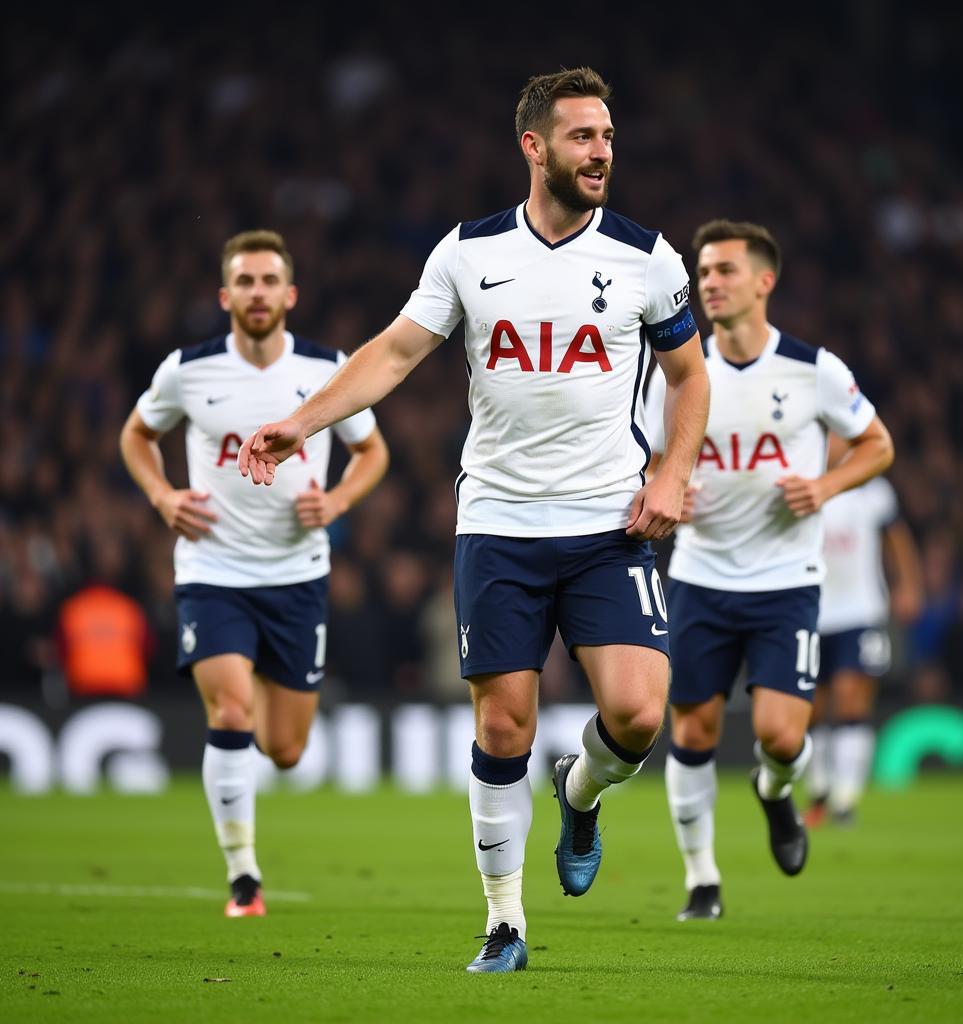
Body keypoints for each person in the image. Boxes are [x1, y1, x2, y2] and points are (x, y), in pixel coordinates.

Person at [238, 68, 710, 971]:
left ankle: (582, 791)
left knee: (640, 715)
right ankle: (504, 924)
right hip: (498, 523)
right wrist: (300, 421)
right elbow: (395, 353)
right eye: (581, 137)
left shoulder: (648, 258)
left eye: (607, 135)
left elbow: (690, 376)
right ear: (534, 147)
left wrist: (672, 469)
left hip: (610, 522)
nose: (602, 151)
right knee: (503, 731)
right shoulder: (467, 252)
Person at [120, 230, 389, 917]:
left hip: (298, 576)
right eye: (246, 282)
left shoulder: (328, 371)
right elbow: (136, 435)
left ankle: (266, 688)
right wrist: (162, 496)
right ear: (225, 296)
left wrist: (336, 502)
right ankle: (244, 879)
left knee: (286, 747)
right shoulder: (189, 370)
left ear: (290, 294)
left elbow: (373, 453)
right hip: (213, 569)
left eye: (270, 281)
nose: (259, 292)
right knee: (231, 711)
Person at [644, 219, 893, 921]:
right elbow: (644, 459)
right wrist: (664, 485)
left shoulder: (814, 369)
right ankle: (702, 881)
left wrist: (825, 487)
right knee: (691, 731)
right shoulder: (681, 374)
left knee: (782, 738)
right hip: (700, 578)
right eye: (704, 270)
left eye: (725, 270)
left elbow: (876, 445)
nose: (709, 283)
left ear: (764, 282)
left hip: (786, 583)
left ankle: (776, 792)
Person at [804, 449, 922, 826]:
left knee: (851, 698)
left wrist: (908, 585)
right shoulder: (804, 485)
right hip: (812, 610)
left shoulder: (873, 490)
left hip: (862, 611)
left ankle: (845, 798)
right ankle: (819, 790)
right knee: (812, 708)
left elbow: (897, 540)